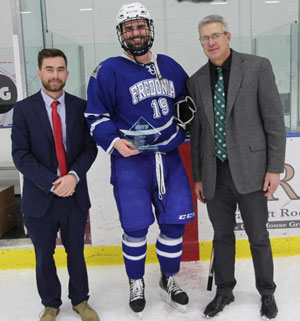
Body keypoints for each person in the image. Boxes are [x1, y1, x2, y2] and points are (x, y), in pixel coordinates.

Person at [85, 2, 195, 318]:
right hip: (131, 163)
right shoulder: (107, 70)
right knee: (135, 229)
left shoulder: (170, 66)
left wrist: (187, 118)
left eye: (140, 26)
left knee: (174, 225)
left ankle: (168, 278)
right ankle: (136, 281)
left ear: (150, 29)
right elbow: (95, 115)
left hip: (169, 159)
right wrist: (115, 141)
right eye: (129, 28)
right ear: (121, 34)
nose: (136, 32)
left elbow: (187, 103)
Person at [187, 15, 286, 320]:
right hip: (215, 173)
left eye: (215, 35)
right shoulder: (196, 80)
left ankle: (267, 292)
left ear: (228, 37)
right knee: (222, 235)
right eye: (205, 38)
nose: (211, 42)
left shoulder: (257, 67)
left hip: (252, 170)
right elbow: (198, 134)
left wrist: (274, 169)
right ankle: (224, 290)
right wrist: (200, 176)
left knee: (258, 235)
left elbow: (273, 122)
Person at [11, 49, 99, 321]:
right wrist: (53, 183)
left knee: (76, 251)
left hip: (74, 195)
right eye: (49, 69)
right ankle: (51, 303)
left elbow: (90, 148)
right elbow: (20, 155)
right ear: (39, 73)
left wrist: (73, 176)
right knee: (43, 256)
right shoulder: (24, 109)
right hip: (41, 197)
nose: (55, 75)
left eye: (60, 69)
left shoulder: (81, 107)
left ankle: (80, 301)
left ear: (67, 73)